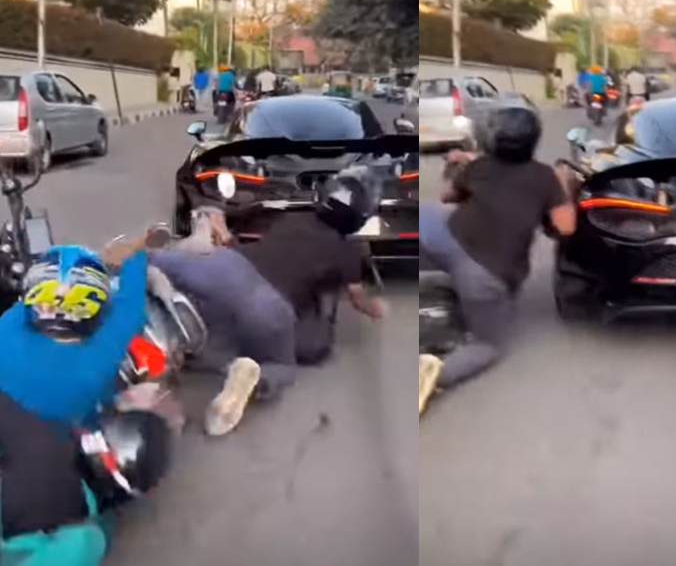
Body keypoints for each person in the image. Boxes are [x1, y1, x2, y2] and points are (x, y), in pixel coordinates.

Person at [147, 175, 388, 436]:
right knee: (283, 367)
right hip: (268, 306)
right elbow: (357, 298)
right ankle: (254, 377)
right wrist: (375, 308)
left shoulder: (295, 218)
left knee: (160, 262)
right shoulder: (348, 251)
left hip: (228, 267)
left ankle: (133, 270)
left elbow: (260, 247)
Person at [0, 242, 154, 561]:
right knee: (93, 533)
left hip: (15, 446)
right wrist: (137, 254)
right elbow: (131, 305)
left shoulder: (7, 329)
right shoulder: (100, 358)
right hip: (48, 473)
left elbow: (24, 305)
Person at [420, 103, 577, 388]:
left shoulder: (479, 166)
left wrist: (463, 165)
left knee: (426, 215)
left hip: (444, 239)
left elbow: (447, 197)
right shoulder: (545, 177)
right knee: (487, 346)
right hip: (486, 273)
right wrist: (563, 184)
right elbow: (565, 227)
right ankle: (430, 376)